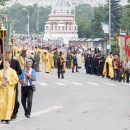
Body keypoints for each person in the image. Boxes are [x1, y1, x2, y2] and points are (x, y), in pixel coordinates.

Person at [0, 51, 22, 120]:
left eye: (9, 54)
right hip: (3, 85)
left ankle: (14, 113)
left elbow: (20, 71)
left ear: (11, 54)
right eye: (6, 54)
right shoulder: (3, 62)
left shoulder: (15, 62)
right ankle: (3, 115)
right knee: (3, 100)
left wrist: (12, 73)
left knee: (14, 99)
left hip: (12, 84)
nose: (7, 55)